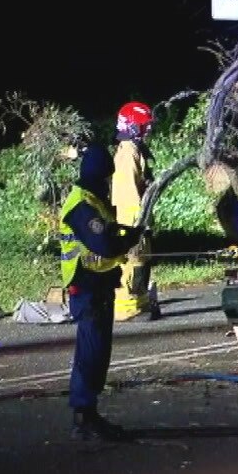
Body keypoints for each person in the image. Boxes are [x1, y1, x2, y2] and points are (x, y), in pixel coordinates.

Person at [59, 144, 144, 440]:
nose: (109, 182)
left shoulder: (94, 200)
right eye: (106, 176)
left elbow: (106, 235)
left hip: (100, 286)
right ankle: (83, 418)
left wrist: (124, 234)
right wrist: (126, 241)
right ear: (98, 175)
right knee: (90, 352)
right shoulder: (82, 204)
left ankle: (90, 415)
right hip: (87, 288)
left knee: (98, 353)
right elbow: (103, 245)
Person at [111, 101, 159, 321]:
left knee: (141, 264)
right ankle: (127, 308)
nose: (148, 130)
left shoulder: (134, 150)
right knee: (134, 263)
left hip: (139, 222)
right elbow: (127, 195)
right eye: (144, 126)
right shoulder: (128, 153)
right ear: (131, 126)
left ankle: (139, 304)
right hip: (131, 223)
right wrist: (135, 229)